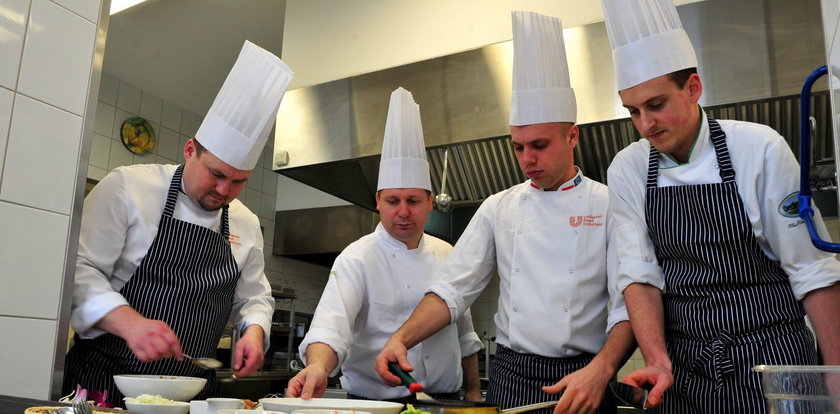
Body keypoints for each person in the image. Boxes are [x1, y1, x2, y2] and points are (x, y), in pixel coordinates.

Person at [375, 12, 635, 414]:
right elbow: (452, 290)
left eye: (539, 145)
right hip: (512, 376)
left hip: (586, 377)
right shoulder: (500, 207)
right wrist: (401, 338)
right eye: (518, 147)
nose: (527, 159)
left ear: (571, 136)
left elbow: (627, 304)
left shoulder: (608, 204)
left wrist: (603, 369)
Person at [600, 0, 840, 412]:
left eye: (656, 105)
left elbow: (812, 270)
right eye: (633, 112)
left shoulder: (759, 147)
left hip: (774, 360)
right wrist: (657, 359)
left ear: (693, 88)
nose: (645, 125)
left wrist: (837, 377)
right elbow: (638, 275)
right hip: (684, 371)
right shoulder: (628, 168)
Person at [63, 41, 294, 405]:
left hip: (195, 395)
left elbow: (255, 297)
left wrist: (253, 330)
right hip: (105, 385)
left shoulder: (246, 224)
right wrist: (130, 323)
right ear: (190, 150)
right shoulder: (128, 187)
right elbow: (76, 269)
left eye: (238, 181)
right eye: (216, 174)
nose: (224, 189)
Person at [285, 87, 483, 402]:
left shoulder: (449, 255)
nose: (403, 211)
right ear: (378, 201)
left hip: (446, 402)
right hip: (375, 405)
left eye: (413, 200)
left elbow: (465, 336)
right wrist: (319, 367)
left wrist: (473, 392)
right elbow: (330, 327)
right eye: (393, 200)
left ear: (430, 201)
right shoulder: (356, 258)